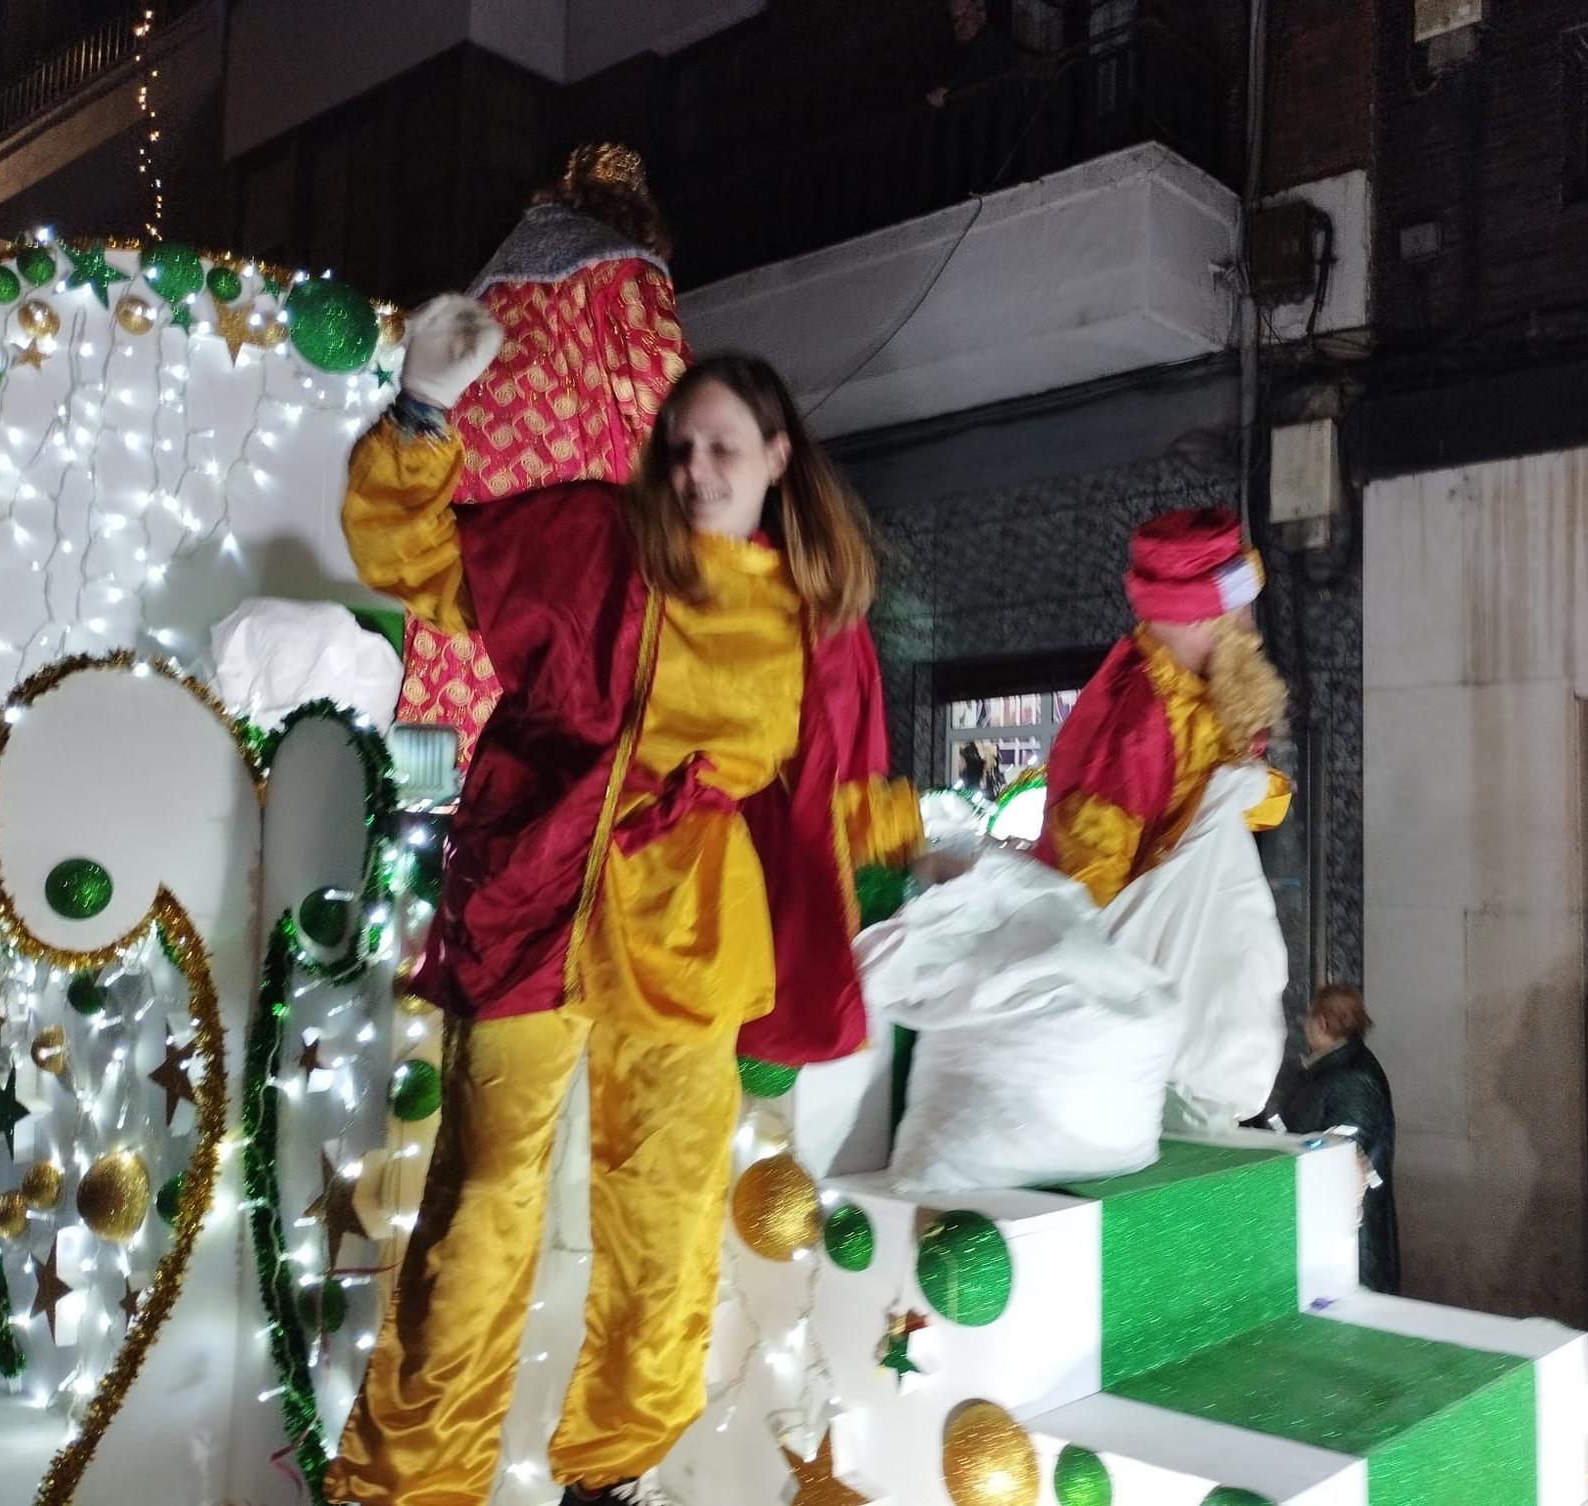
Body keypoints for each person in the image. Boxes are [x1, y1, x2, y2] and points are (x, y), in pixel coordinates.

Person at [324, 328, 920, 1506]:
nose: (697, 470)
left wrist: (913, 864)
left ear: (778, 458)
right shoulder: (592, 539)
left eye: (724, 449)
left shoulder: (813, 620)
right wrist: (424, 409)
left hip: (692, 930)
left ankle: (610, 1477)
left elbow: (837, 797)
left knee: (667, 1224)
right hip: (540, 891)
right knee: (477, 1210)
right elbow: (417, 559)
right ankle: (405, 1485)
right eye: (681, 446)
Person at [399, 142, 691, 770]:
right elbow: (664, 402)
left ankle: (426, 809)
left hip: (476, 528)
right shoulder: (625, 273)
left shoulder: (484, 292)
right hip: (574, 524)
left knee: (467, 692)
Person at [1038, 506, 1292, 909]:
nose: (1250, 631)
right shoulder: (1140, 720)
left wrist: (1248, 790)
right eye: (1240, 612)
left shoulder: (1200, 693)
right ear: (1198, 618)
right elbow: (1088, 887)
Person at [1278, 983, 1401, 1294]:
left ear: (1321, 1022)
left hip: (1348, 1239)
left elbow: (1344, 1159)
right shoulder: (1335, 1069)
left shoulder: (1351, 1078)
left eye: (1308, 1017)